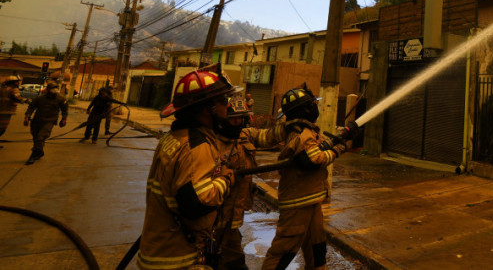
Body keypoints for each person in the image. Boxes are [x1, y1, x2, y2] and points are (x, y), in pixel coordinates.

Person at [137, 66, 238, 270]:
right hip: (178, 257)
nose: (228, 107)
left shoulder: (173, 138)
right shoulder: (196, 146)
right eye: (223, 101)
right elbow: (197, 202)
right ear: (205, 109)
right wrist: (225, 179)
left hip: (157, 250)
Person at [261, 87, 349, 270]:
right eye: (312, 104)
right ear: (306, 110)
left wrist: (338, 139)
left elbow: (318, 148)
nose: (315, 106)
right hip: (298, 203)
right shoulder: (303, 135)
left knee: (317, 248)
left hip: (311, 199)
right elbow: (315, 160)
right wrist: (340, 148)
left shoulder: (304, 131)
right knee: (284, 251)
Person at [214, 93, 287, 270]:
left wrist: (290, 125)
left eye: (241, 118)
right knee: (219, 259)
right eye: (233, 119)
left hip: (234, 215)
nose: (238, 122)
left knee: (230, 256)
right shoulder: (211, 142)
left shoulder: (245, 135)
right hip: (214, 218)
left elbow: (269, 136)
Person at [23, 80, 68, 165]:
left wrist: (64, 119)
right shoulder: (40, 98)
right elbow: (31, 107)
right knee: (36, 137)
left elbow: (65, 109)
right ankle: (40, 151)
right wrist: (27, 116)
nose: (53, 91)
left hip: (49, 121)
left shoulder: (60, 99)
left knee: (40, 137)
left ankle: (33, 155)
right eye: (51, 89)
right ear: (48, 89)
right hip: (37, 120)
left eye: (54, 89)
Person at [0, 75, 27, 147]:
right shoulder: (13, 90)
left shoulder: (2, 89)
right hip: (6, 111)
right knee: (2, 128)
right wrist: (26, 100)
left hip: (1, 110)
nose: (18, 83)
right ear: (12, 82)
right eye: (17, 82)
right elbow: (17, 98)